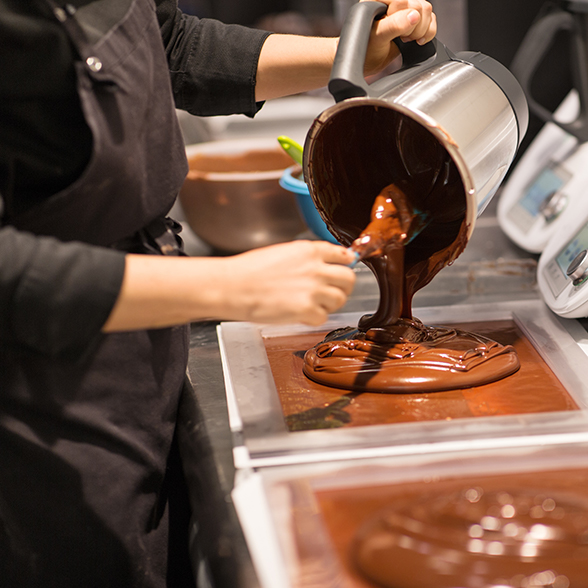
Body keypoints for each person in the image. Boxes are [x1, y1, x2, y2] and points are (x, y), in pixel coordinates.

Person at [0, 0, 436, 586]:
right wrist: (226, 284)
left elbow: (168, 46)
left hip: (140, 348)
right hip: (36, 396)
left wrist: (352, 53)